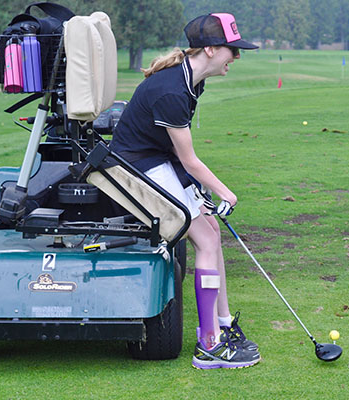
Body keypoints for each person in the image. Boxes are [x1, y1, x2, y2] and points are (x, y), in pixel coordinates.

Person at [110, 13, 260, 369]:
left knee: (211, 231)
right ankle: (209, 346)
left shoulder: (191, 81)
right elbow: (190, 160)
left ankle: (222, 327)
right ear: (209, 49)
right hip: (132, 169)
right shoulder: (172, 90)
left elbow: (177, 155)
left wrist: (200, 194)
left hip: (156, 161)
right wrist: (226, 193)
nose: (236, 58)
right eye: (232, 50)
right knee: (205, 241)